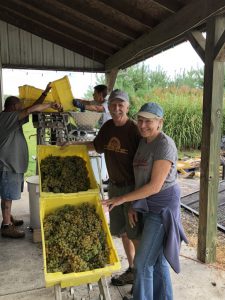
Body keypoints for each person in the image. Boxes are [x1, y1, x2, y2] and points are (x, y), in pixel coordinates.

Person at [103, 102, 188, 300]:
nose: (142, 125)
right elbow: (141, 179)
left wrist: (121, 199)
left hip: (162, 209)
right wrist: (134, 204)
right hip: (147, 205)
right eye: (140, 120)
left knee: (142, 263)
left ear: (160, 122)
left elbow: (154, 186)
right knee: (157, 261)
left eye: (148, 121)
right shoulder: (145, 141)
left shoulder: (164, 145)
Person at [69, 89, 142, 286]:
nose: (117, 108)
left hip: (131, 188)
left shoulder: (134, 130)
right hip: (115, 188)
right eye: (113, 105)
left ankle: (142, 277)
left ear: (127, 107)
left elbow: (145, 161)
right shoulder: (108, 126)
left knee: (135, 233)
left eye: (121, 105)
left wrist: (139, 197)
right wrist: (73, 144)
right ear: (108, 107)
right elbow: (96, 145)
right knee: (123, 232)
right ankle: (132, 268)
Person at [0, 83, 62, 238]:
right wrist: (50, 104)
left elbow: (31, 108)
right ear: (14, 106)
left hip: (13, 165)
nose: (22, 108)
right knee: (7, 196)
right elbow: (28, 110)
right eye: (19, 106)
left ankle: (8, 218)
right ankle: (6, 226)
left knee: (8, 194)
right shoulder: (6, 118)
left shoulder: (13, 119)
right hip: (7, 165)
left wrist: (45, 93)